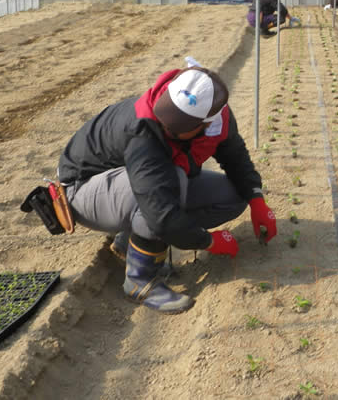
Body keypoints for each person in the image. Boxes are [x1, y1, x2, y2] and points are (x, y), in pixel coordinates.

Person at [57, 57, 277, 314]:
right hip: (81, 189)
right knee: (169, 184)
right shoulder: (142, 128)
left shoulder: (218, 118)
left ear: (204, 125)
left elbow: (235, 157)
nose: (166, 126)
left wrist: (256, 198)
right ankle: (139, 281)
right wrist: (207, 241)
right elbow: (160, 210)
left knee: (232, 195)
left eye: (178, 125)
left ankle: (132, 240)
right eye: (166, 115)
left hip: (127, 182)